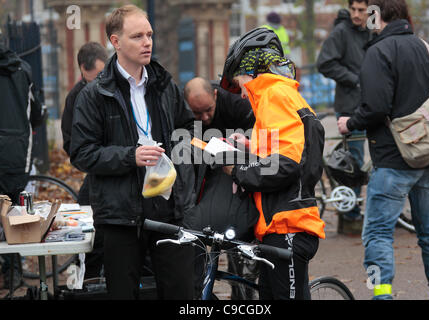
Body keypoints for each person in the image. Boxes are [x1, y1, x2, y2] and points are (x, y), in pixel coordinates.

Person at [69, 4, 196, 299]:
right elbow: (82, 153)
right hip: (119, 216)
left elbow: (188, 126)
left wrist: (174, 152)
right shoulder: (94, 94)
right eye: (138, 36)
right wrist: (131, 156)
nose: (147, 42)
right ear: (115, 42)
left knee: (181, 293)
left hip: (167, 209)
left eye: (149, 34)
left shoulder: (164, 85)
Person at [337, 0, 429, 300]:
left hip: (393, 159)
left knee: (377, 233)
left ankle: (382, 295)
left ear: (378, 15)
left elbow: (375, 107)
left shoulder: (378, 52)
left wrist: (350, 123)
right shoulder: (427, 47)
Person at [220, 27, 326, 300]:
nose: (241, 92)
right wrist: (250, 148)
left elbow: (287, 164)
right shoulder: (281, 94)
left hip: (287, 225)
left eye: (239, 81)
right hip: (280, 225)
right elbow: (290, 151)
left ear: (252, 71)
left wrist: (238, 171)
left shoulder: (272, 96)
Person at [183, 77, 257, 298]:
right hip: (210, 170)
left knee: (237, 226)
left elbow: (260, 133)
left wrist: (243, 145)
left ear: (215, 95)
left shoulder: (235, 103)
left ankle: (246, 281)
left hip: (240, 167)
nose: (205, 118)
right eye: (198, 114)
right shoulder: (185, 114)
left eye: (208, 110)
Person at [316, 0, 370, 222]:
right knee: (353, 160)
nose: (356, 15)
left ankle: (358, 209)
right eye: (353, 9)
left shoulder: (374, 31)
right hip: (349, 105)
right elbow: (324, 63)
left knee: (375, 159)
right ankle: (350, 215)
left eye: (361, 10)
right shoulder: (342, 32)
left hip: (372, 103)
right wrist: (355, 80)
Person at [60, 42, 108, 280]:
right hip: (98, 175)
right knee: (92, 236)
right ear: (82, 69)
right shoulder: (75, 98)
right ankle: (90, 283)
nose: (101, 80)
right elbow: (71, 146)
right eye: (96, 76)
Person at [0, 43, 46, 287]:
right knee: (13, 212)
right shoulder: (23, 69)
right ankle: (14, 271)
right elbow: (37, 113)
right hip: (17, 151)